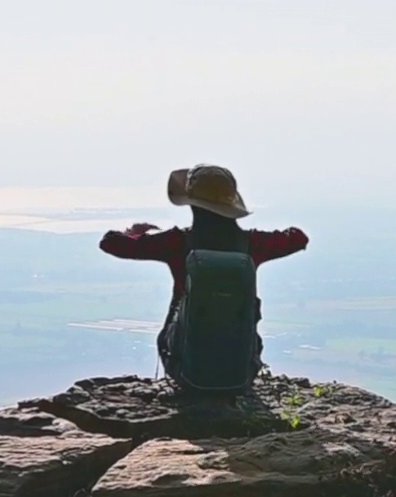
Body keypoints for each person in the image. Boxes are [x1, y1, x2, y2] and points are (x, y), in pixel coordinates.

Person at [99, 164, 309, 387]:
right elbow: (298, 238)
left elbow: (110, 243)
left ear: (192, 204)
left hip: (185, 369)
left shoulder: (176, 242)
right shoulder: (253, 244)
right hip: (242, 370)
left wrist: (135, 233)